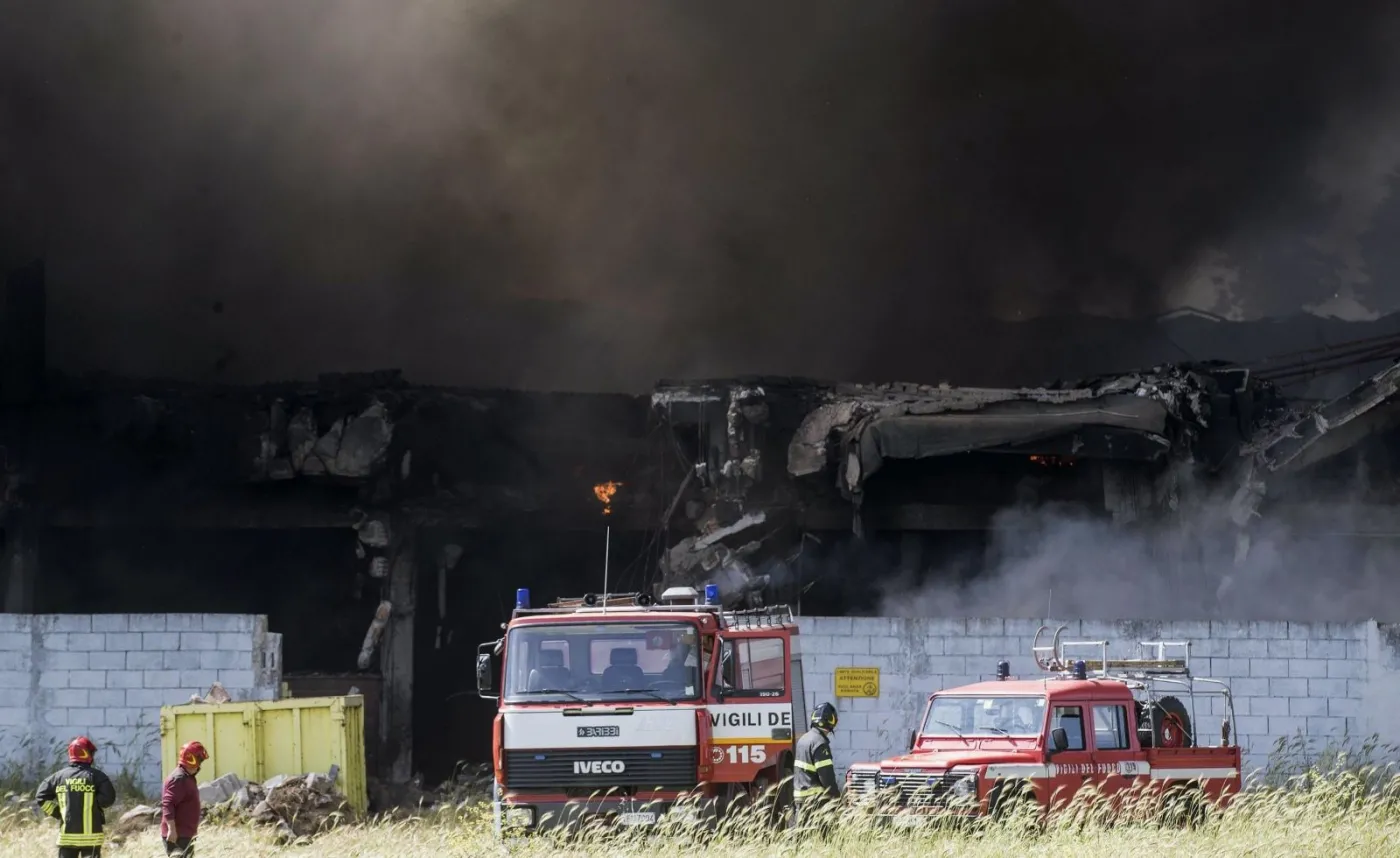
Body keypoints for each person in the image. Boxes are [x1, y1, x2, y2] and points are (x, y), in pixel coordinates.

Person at [34, 736, 117, 858]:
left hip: (67, 838)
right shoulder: (98, 776)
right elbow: (108, 799)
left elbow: (41, 797)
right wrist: (93, 804)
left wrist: (58, 812)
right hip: (92, 839)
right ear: (87, 754)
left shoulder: (57, 777)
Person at [793, 702, 841, 828]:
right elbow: (827, 777)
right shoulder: (820, 743)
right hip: (816, 802)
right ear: (831, 721)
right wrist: (837, 800)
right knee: (824, 840)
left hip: (800, 799)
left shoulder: (804, 739)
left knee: (802, 840)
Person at [160, 741, 210, 857]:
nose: (200, 765)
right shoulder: (178, 779)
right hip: (177, 836)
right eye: (199, 760)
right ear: (191, 759)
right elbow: (168, 804)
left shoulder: (187, 776)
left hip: (184, 834)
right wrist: (171, 830)